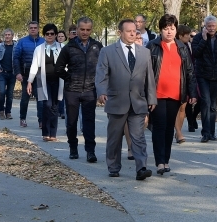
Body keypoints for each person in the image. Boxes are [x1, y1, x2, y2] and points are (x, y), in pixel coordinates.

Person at [96, 18, 157, 180]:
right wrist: (101, 92)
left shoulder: (144, 52)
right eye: (129, 30)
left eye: (135, 30)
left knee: (138, 137)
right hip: (116, 101)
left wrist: (152, 98)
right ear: (120, 32)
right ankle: (113, 166)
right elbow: (102, 75)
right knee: (115, 137)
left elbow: (149, 78)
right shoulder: (107, 51)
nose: (132, 33)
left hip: (138, 102)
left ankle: (141, 168)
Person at [146, 14, 197, 175]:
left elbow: (189, 71)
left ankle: (166, 160)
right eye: (166, 29)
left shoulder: (181, 47)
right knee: (159, 127)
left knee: (169, 128)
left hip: (176, 94)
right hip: (157, 94)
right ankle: (159, 162)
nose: (169, 32)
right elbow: (145, 72)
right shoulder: (152, 46)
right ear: (160, 30)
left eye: (172, 28)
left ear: (176, 30)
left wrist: (192, 92)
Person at [54, 17, 103, 162]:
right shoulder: (69, 47)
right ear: (77, 30)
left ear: (91, 30)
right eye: (82, 29)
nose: (85, 32)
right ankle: (73, 148)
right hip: (72, 91)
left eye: (88, 30)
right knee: (71, 122)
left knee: (89, 122)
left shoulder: (97, 46)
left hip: (90, 90)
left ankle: (90, 151)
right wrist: (69, 78)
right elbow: (58, 68)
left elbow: (103, 67)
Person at [191, 15, 217, 142]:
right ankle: (205, 133)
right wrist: (203, 39)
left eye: (213, 26)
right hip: (202, 75)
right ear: (205, 26)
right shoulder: (198, 38)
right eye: (209, 26)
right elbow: (195, 54)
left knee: (213, 105)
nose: (211, 28)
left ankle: (212, 132)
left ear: (216, 26)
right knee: (206, 102)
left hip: (216, 75)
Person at [27, 24, 64, 142]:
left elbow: (67, 65)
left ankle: (53, 134)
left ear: (56, 35)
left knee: (55, 106)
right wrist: (29, 81)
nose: (49, 36)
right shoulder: (39, 49)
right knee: (47, 105)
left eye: (52, 34)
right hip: (44, 81)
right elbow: (34, 66)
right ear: (44, 35)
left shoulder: (62, 48)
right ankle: (45, 133)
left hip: (58, 80)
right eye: (47, 34)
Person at [14, 21, 45, 127]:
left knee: (40, 98)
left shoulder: (43, 41)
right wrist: (18, 72)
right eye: (31, 28)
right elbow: (16, 58)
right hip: (26, 75)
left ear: (38, 29)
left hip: (40, 75)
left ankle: (41, 120)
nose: (33, 29)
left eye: (35, 28)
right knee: (25, 98)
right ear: (28, 29)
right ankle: (22, 118)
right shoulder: (22, 42)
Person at [175, 24, 197, 141]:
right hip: (174, 81)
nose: (189, 37)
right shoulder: (175, 47)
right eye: (187, 35)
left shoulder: (188, 46)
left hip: (185, 80)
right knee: (175, 107)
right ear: (180, 35)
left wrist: (192, 89)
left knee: (183, 107)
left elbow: (190, 67)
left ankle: (178, 129)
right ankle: (178, 132)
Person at [0, 29, 16, 119]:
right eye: (6, 35)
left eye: (9, 35)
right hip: (2, 73)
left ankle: (8, 112)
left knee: (10, 94)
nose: (7, 36)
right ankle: (1, 110)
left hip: (12, 73)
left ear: (12, 36)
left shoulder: (16, 46)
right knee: (2, 92)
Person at [56, 30, 67, 118]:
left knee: (62, 92)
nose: (60, 38)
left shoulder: (66, 47)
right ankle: (58, 110)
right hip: (55, 71)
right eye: (59, 36)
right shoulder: (52, 47)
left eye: (62, 36)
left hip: (64, 71)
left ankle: (62, 111)